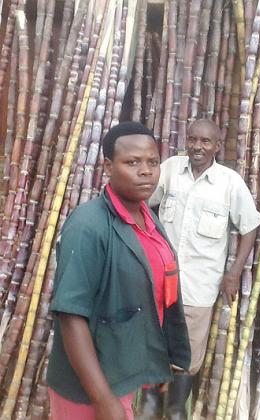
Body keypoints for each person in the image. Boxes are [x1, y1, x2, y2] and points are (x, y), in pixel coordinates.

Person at [46, 121, 191, 420]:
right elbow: (71, 316)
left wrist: (157, 359)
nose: (146, 170)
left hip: (124, 371)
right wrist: (102, 399)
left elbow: (155, 294)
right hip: (90, 386)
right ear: (108, 166)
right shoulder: (88, 226)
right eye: (132, 162)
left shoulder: (148, 218)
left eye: (152, 162)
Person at [149, 119, 260, 419]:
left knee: (187, 354)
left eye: (205, 141)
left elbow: (249, 226)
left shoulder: (229, 182)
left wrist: (234, 272)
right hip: (161, 280)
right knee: (154, 342)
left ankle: (175, 410)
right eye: (193, 139)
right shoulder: (171, 169)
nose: (198, 146)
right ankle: (151, 406)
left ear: (217, 146)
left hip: (200, 286)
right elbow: (146, 203)